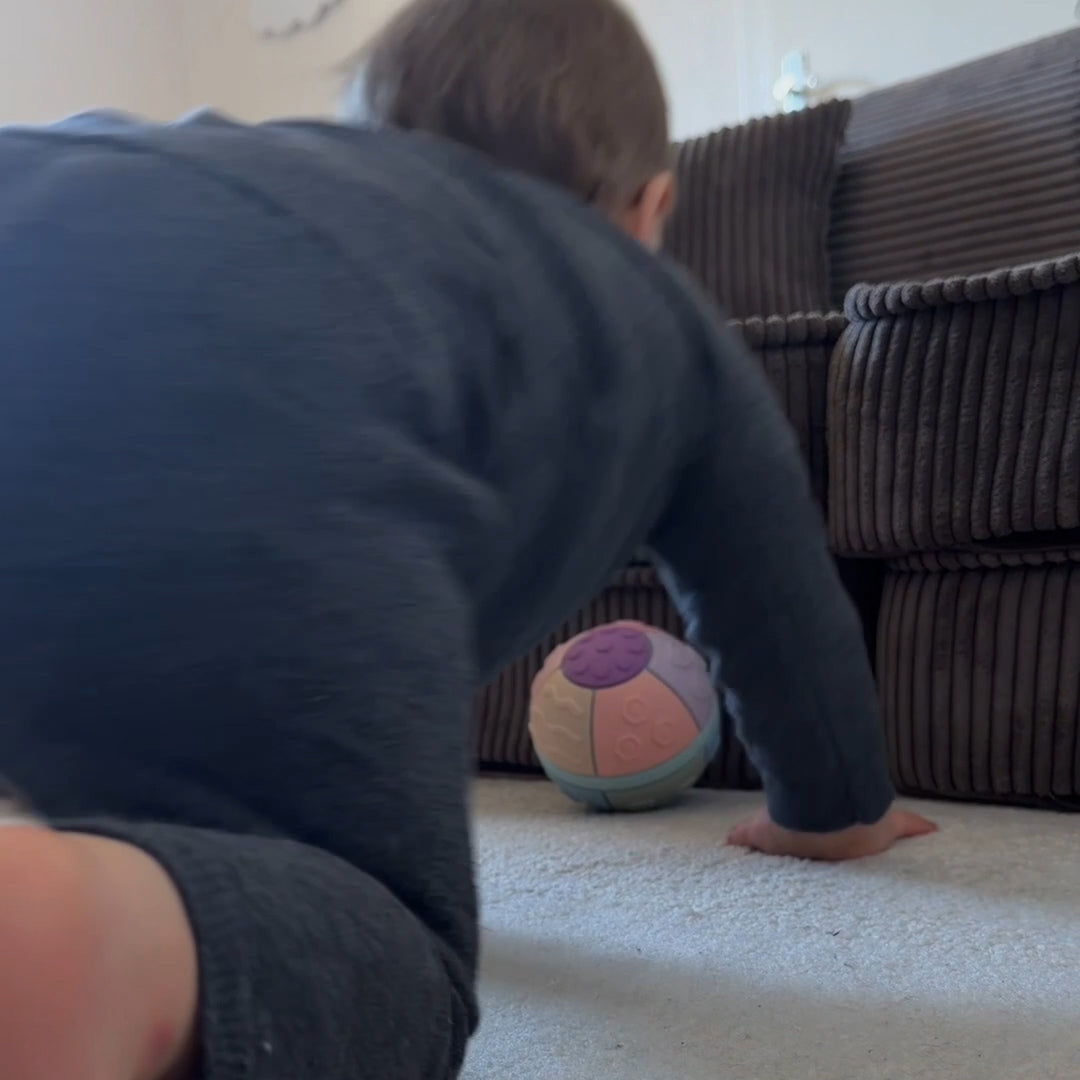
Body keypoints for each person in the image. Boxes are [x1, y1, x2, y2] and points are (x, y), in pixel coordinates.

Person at [0, 0, 935, 1077]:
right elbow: (779, 605)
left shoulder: (269, 179)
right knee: (379, 940)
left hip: (40, 204)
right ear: (651, 206)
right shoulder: (653, 306)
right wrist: (834, 810)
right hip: (235, 437)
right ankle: (83, 951)